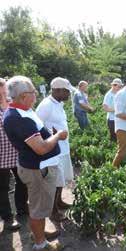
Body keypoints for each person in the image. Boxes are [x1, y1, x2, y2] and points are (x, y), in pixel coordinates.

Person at [3, 76, 67, 251]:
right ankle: (41, 244)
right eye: (33, 92)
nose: (36, 96)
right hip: (37, 169)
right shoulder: (18, 118)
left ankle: (38, 234)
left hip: (39, 167)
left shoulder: (24, 111)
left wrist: (50, 134)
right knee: (38, 209)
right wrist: (58, 135)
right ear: (23, 96)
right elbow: (41, 148)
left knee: (39, 206)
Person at [36, 77, 75, 222]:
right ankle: (53, 211)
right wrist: (51, 134)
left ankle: (59, 202)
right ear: (57, 90)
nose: (68, 94)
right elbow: (37, 127)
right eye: (66, 91)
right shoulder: (46, 105)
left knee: (61, 178)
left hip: (62, 148)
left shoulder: (58, 103)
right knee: (53, 181)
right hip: (53, 150)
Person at [0, 78, 28, 231]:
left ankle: (22, 209)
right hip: (0, 156)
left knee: (22, 181)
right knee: (2, 188)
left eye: (4, 92)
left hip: (17, 152)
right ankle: (7, 217)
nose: (2, 96)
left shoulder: (13, 105)